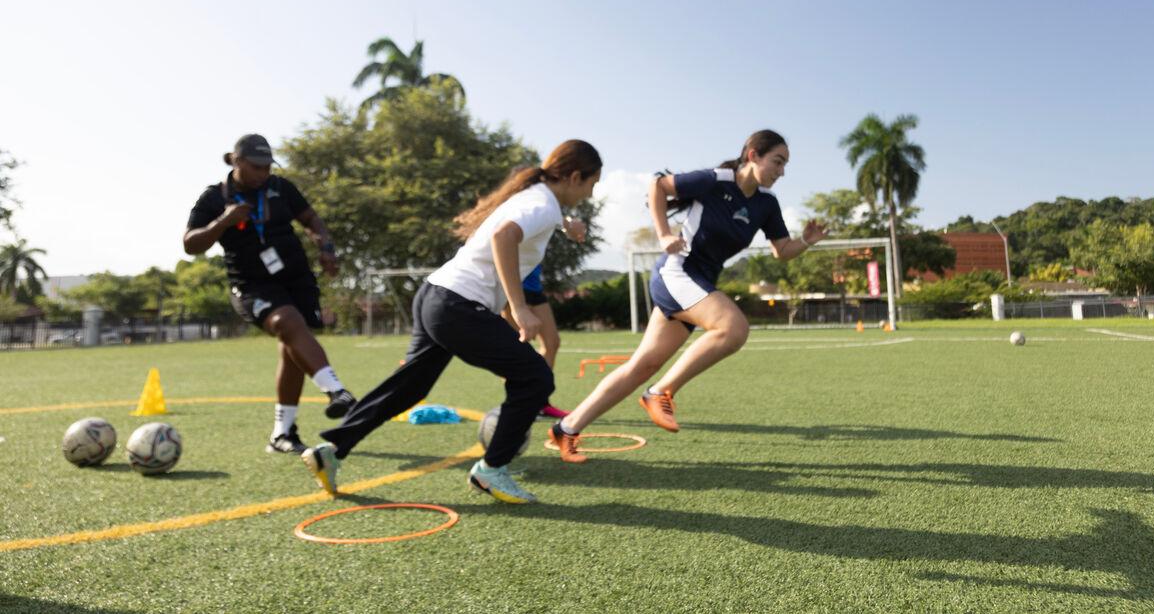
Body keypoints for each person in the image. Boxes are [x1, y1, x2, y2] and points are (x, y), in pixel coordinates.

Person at [303, 139, 602, 503]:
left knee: (409, 387)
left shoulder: (536, 199)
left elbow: (526, 221)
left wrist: (567, 225)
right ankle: (492, 469)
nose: (589, 193)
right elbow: (504, 236)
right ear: (574, 177)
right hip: (458, 306)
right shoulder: (541, 203)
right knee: (535, 378)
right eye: (591, 184)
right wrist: (519, 307)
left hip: (436, 295)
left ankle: (332, 451)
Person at [548, 130, 827, 463]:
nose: (781, 171)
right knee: (733, 328)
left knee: (642, 365)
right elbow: (658, 186)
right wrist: (664, 235)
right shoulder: (716, 180)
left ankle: (566, 428)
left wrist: (806, 241)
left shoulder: (766, 203)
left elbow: (782, 250)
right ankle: (659, 393)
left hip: (697, 284)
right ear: (753, 155)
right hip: (677, 273)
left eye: (785, 165)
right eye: (777, 162)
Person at [183, 134, 355, 454]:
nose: (263, 173)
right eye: (256, 167)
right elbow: (190, 244)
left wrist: (326, 247)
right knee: (286, 322)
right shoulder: (215, 197)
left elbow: (311, 219)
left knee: (293, 345)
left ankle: (282, 433)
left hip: (296, 278)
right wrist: (223, 222)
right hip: (252, 284)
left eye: (267, 167)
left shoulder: (281, 188)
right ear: (237, 161)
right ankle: (336, 391)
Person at [503, 214, 587, 420]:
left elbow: (556, 216)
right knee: (517, 350)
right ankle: (521, 403)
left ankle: (539, 402)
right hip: (513, 289)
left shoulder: (543, 211)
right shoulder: (516, 215)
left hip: (534, 288)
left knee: (552, 343)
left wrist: (570, 225)